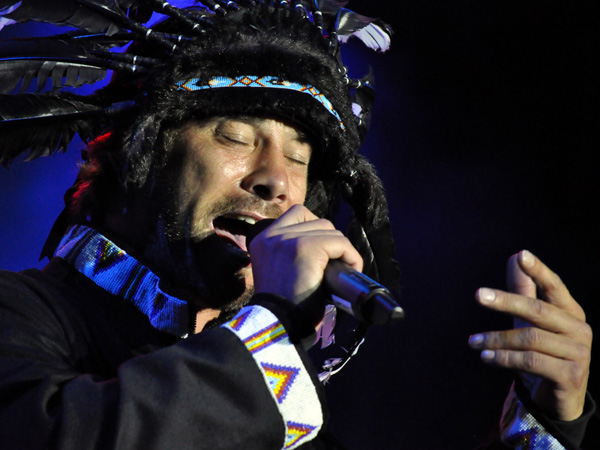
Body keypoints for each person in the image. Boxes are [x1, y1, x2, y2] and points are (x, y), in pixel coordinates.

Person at [0, 1, 594, 449]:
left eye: (300, 156)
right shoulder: (18, 314)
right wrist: (276, 323)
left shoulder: (285, 391)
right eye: (235, 136)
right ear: (137, 158)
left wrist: (543, 423)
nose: (276, 180)